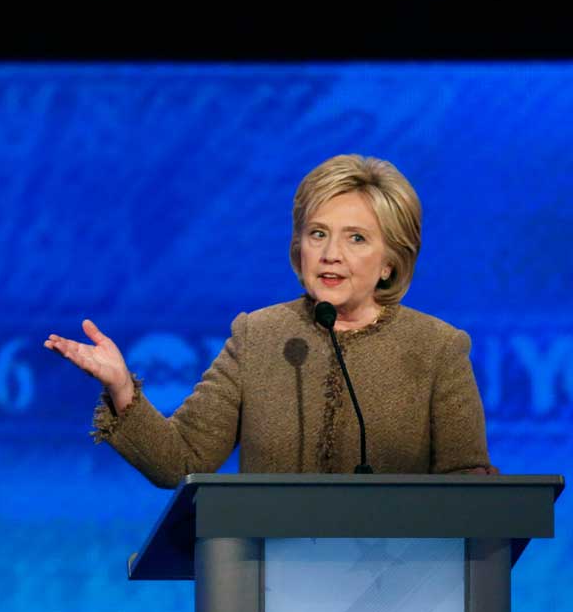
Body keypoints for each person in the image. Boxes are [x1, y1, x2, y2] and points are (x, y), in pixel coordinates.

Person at [44, 154, 494, 486]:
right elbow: (180, 462)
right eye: (318, 234)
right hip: (270, 590)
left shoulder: (436, 348)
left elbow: (467, 486)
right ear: (299, 246)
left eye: (356, 238)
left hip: (400, 593)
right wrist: (122, 388)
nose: (330, 253)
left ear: (390, 263)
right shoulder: (258, 336)